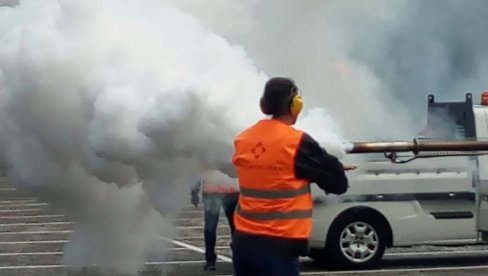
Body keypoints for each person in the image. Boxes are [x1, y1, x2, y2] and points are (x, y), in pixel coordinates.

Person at [230, 77, 356, 276]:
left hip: (243, 242)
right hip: (278, 245)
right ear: (295, 105)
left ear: (263, 105)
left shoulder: (243, 139)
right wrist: (331, 168)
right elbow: (338, 184)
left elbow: (273, 175)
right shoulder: (296, 141)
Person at [191, 177, 239, 271]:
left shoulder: (207, 161)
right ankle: (238, 255)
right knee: (236, 226)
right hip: (232, 190)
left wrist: (194, 191)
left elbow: (198, 169)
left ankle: (210, 261)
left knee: (210, 227)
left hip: (211, 191)